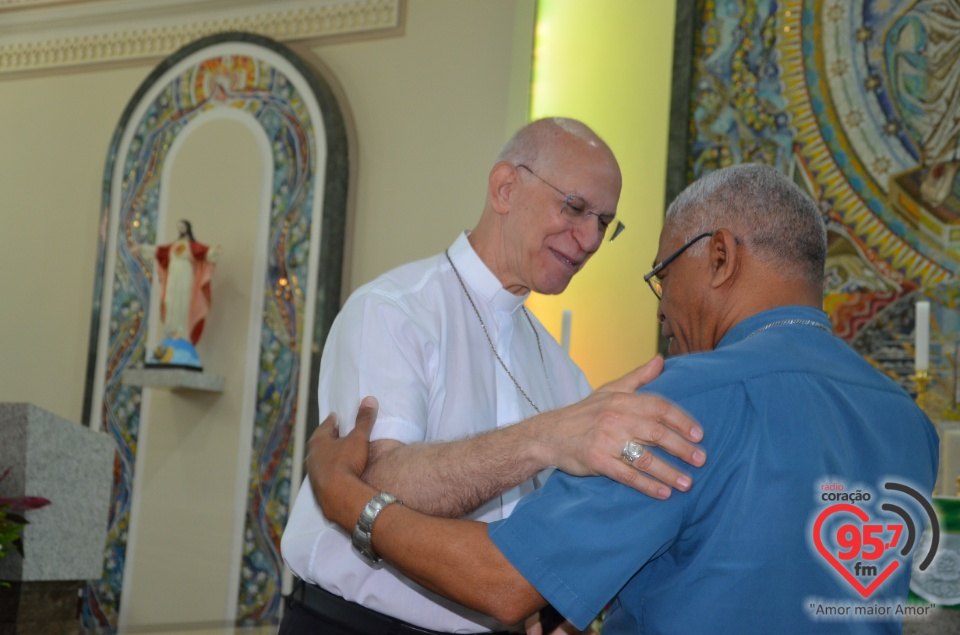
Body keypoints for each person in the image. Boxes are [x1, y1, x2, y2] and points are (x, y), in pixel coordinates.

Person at [308, 163, 940, 634]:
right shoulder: (910, 425)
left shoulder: (688, 397)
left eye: (662, 275)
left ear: (719, 255)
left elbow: (503, 583)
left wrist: (350, 502)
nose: (662, 309)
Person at [279, 118, 707, 635]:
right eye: (575, 208)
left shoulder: (563, 372)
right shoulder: (394, 311)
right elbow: (375, 483)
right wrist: (546, 438)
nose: (591, 238)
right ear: (505, 188)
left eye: (604, 222)